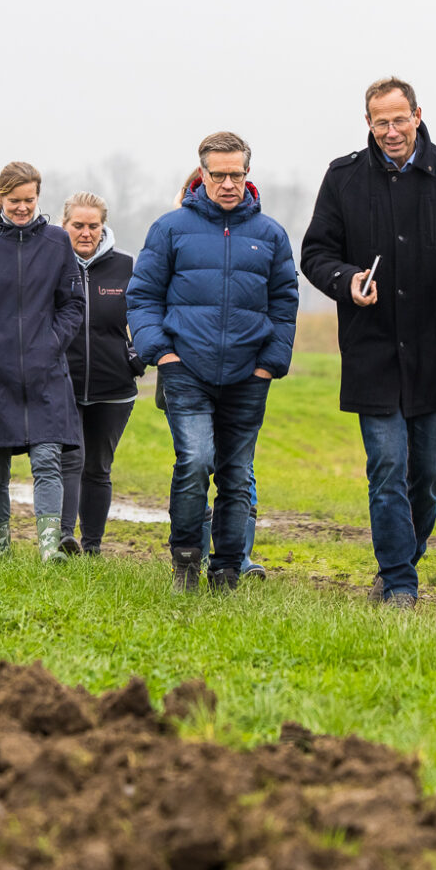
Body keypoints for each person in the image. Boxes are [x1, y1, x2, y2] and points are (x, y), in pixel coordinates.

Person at [300, 76, 436, 608]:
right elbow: (316, 254)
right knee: (387, 467)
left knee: (429, 475)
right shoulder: (343, 178)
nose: (391, 130)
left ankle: (401, 563)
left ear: (417, 115)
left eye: (399, 119)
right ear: (367, 122)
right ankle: (400, 585)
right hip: (372, 351)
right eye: (380, 121)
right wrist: (348, 282)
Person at [129, 133, 299, 593]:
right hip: (186, 370)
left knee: (236, 475)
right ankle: (185, 562)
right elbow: (142, 297)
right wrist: (162, 354)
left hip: (249, 375)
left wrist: (270, 363)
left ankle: (226, 570)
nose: (228, 183)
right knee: (195, 461)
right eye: (218, 175)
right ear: (201, 174)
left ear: (248, 174)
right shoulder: (169, 229)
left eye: (236, 174)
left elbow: (284, 304)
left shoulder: (271, 235)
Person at [0, 162, 82, 562]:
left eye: (29, 200)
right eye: (14, 200)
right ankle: (1, 551)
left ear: (39, 198)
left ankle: (47, 550)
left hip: (46, 373)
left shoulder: (58, 243)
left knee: (47, 460)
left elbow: (72, 303)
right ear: (0, 197)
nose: (22, 207)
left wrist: (54, 341)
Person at [58, 191, 141, 556]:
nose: (86, 232)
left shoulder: (126, 266)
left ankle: (91, 547)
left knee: (98, 467)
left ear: (103, 227)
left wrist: (137, 357)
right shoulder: (51, 262)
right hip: (63, 384)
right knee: (66, 461)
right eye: (78, 225)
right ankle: (61, 540)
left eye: (93, 226)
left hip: (114, 388)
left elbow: (144, 316)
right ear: (65, 225)